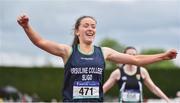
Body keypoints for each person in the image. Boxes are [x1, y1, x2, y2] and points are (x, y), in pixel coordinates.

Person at [17, 14, 177, 102]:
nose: (90, 28)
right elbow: (40, 42)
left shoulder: (104, 52)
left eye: (93, 26)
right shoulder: (68, 51)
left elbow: (135, 60)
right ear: (77, 31)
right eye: (86, 25)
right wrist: (27, 26)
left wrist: (163, 56)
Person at [103, 46, 171, 103]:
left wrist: (168, 100)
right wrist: (93, 100)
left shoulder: (142, 71)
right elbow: (104, 89)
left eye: (134, 55)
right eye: (129, 55)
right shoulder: (117, 73)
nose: (132, 57)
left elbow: (154, 88)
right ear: (123, 55)